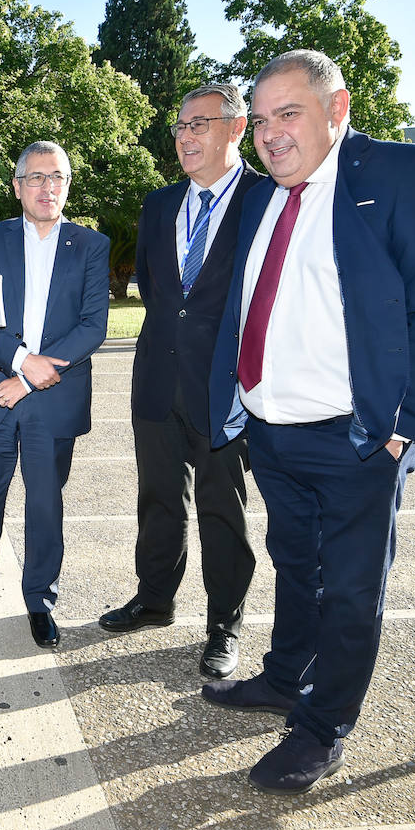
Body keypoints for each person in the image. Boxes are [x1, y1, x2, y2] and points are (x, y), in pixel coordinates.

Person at [203, 50, 415, 794]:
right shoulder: (262, 198)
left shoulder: (402, 175)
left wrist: (403, 427)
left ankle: (323, 730)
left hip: (356, 437)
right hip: (271, 428)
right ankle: (287, 676)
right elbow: (247, 308)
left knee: (353, 588)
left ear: (338, 108)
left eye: (287, 114)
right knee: (295, 564)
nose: (270, 134)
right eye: (259, 121)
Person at [98, 84, 263, 679]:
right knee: (159, 497)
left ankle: (225, 624)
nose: (185, 136)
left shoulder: (265, 198)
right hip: (157, 377)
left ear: (236, 128)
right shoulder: (159, 204)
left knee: (224, 506)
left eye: (199, 124)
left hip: (226, 386)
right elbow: (158, 290)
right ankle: (154, 599)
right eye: (180, 126)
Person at [0, 140, 110, 649]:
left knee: (46, 506)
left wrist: (30, 378)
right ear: (17, 186)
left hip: (54, 399)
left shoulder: (91, 245)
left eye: (56, 176)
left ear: (68, 184)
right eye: (35, 177)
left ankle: (40, 601)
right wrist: (18, 361)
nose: (46, 186)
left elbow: (93, 326)